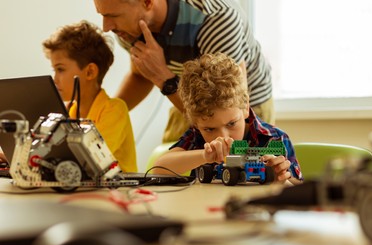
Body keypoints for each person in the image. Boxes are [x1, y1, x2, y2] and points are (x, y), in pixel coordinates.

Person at [93, 0, 274, 143]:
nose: (106, 27)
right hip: (188, 95)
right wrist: (102, 116)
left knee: (236, 172)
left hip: (241, 105)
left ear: (147, 2)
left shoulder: (215, 19)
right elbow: (141, 76)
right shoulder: (128, 29)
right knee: (171, 172)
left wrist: (164, 78)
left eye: (112, 15)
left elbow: (225, 108)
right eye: (102, 15)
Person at [153, 53, 302, 186]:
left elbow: (297, 188)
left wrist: (281, 179)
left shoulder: (274, 138)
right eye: (209, 129)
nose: (223, 137)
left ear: (245, 107)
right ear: (196, 124)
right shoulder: (197, 137)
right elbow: (159, 169)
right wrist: (204, 156)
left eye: (231, 124)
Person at [42, 20, 138, 172]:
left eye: (60, 69)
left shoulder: (114, 110)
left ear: (90, 72)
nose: (55, 79)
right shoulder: (68, 112)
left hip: (118, 192)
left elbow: (88, 158)